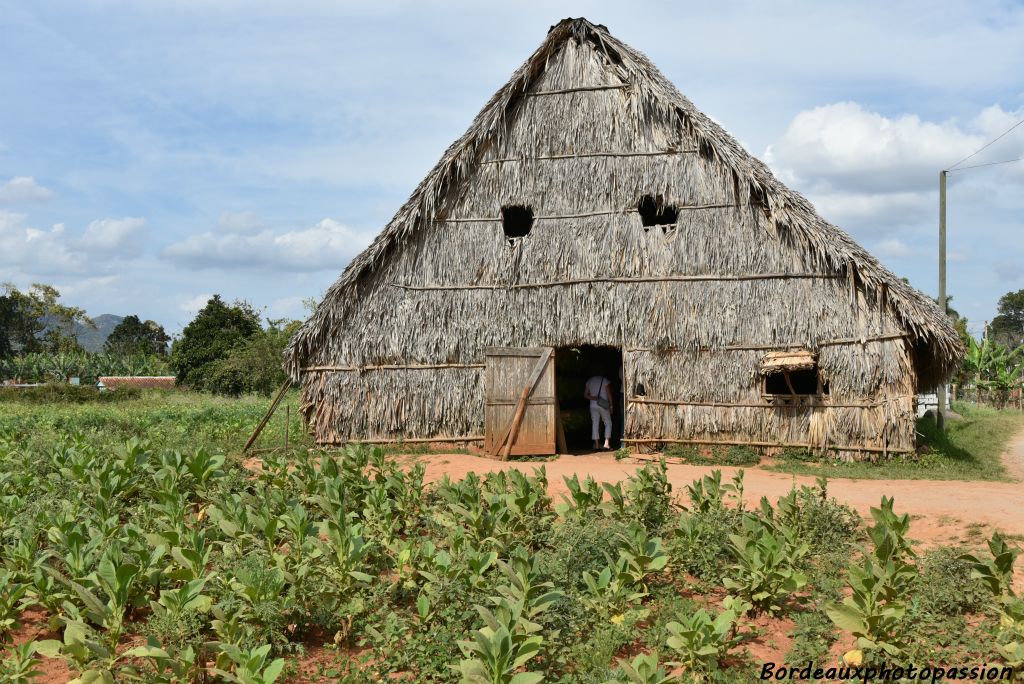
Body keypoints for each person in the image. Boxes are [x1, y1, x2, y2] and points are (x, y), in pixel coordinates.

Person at [584, 373, 613, 450]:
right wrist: (611, 405)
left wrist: (593, 398)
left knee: (595, 424)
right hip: (603, 405)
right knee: (608, 423)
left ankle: (596, 445)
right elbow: (609, 394)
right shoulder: (605, 380)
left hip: (593, 405)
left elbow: (585, 395)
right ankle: (606, 443)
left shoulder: (589, 381)